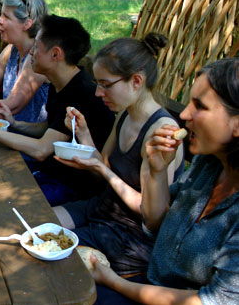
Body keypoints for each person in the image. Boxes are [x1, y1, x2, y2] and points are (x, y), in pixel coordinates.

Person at [23, 57, 239, 305]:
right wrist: (154, 171)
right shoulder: (209, 166)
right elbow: (157, 222)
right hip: (158, 304)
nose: (186, 115)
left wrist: (114, 282)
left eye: (200, 106)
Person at [52, 34, 185, 275]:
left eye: (105, 84)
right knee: (37, 224)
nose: (98, 92)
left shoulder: (161, 133)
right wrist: (83, 134)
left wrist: (103, 171)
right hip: (102, 209)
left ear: (136, 81)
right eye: (97, 83)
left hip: (129, 235)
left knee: (48, 249)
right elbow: (102, 165)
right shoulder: (125, 114)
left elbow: (150, 213)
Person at [0, 14, 115, 205]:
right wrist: (15, 124)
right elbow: (51, 127)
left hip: (74, 186)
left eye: (36, 47)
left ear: (55, 54)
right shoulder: (61, 82)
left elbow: (42, 150)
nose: (31, 53)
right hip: (52, 170)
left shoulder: (81, 93)